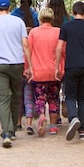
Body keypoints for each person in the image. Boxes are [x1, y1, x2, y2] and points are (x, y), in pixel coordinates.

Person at [0, 0, 28, 148]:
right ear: (9, 8)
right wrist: (29, 66)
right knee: (16, 96)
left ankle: (6, 133)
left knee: (3, 98)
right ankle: (13, 129)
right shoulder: (19, 22)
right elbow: (25, 44)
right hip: (17, 63)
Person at [55, 1, 84, 141]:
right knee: (82, 97)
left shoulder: (66, 27)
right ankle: (82, 130)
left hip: (71, 64)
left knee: (70, 95)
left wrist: (57, 66)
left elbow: (59, 48)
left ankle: (73, 118)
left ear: (73, 12)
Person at [27, 7, 63, 137]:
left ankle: (42, 115)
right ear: (52, 18)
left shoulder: (34, 33)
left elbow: (28, 51)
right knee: (53, 99)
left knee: (40, 98)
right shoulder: (58, 32)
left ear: (40, 18)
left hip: (38, 72)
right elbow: (63, 52)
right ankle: (53, 127)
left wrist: (27, 68)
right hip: (54, 72)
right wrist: (61, 68)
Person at [11, 0, 38, 132]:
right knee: (29, 96)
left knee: (17, 95)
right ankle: (28, 123)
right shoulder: (35, 16)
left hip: (16, 61)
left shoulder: (13, 15)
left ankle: (17, 122)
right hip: (30, 60)